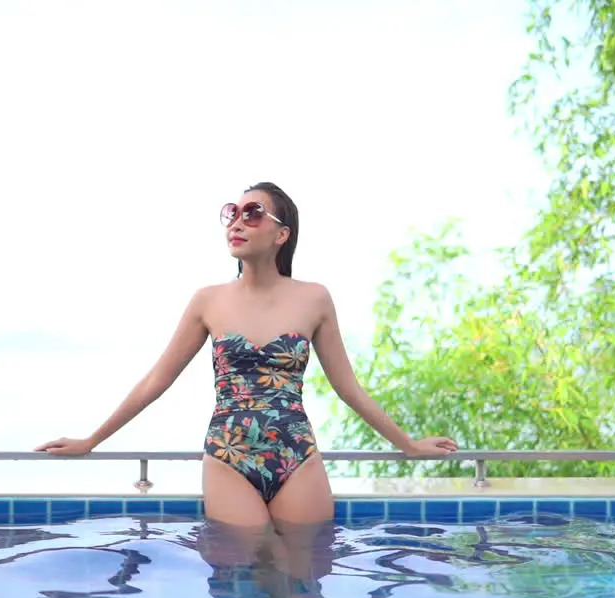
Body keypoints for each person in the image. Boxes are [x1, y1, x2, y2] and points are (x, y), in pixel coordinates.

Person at [35, 181, 458, 528]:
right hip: (228, 456)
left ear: (281, 234)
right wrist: (92, 440)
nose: (237, 222)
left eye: (252, 213)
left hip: (297, 453)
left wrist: (409, 445)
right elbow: (155, 382)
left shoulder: (314, 299)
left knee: (301, 583)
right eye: (232, 213)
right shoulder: (208, 301)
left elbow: (348, 388)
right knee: (242, 581)